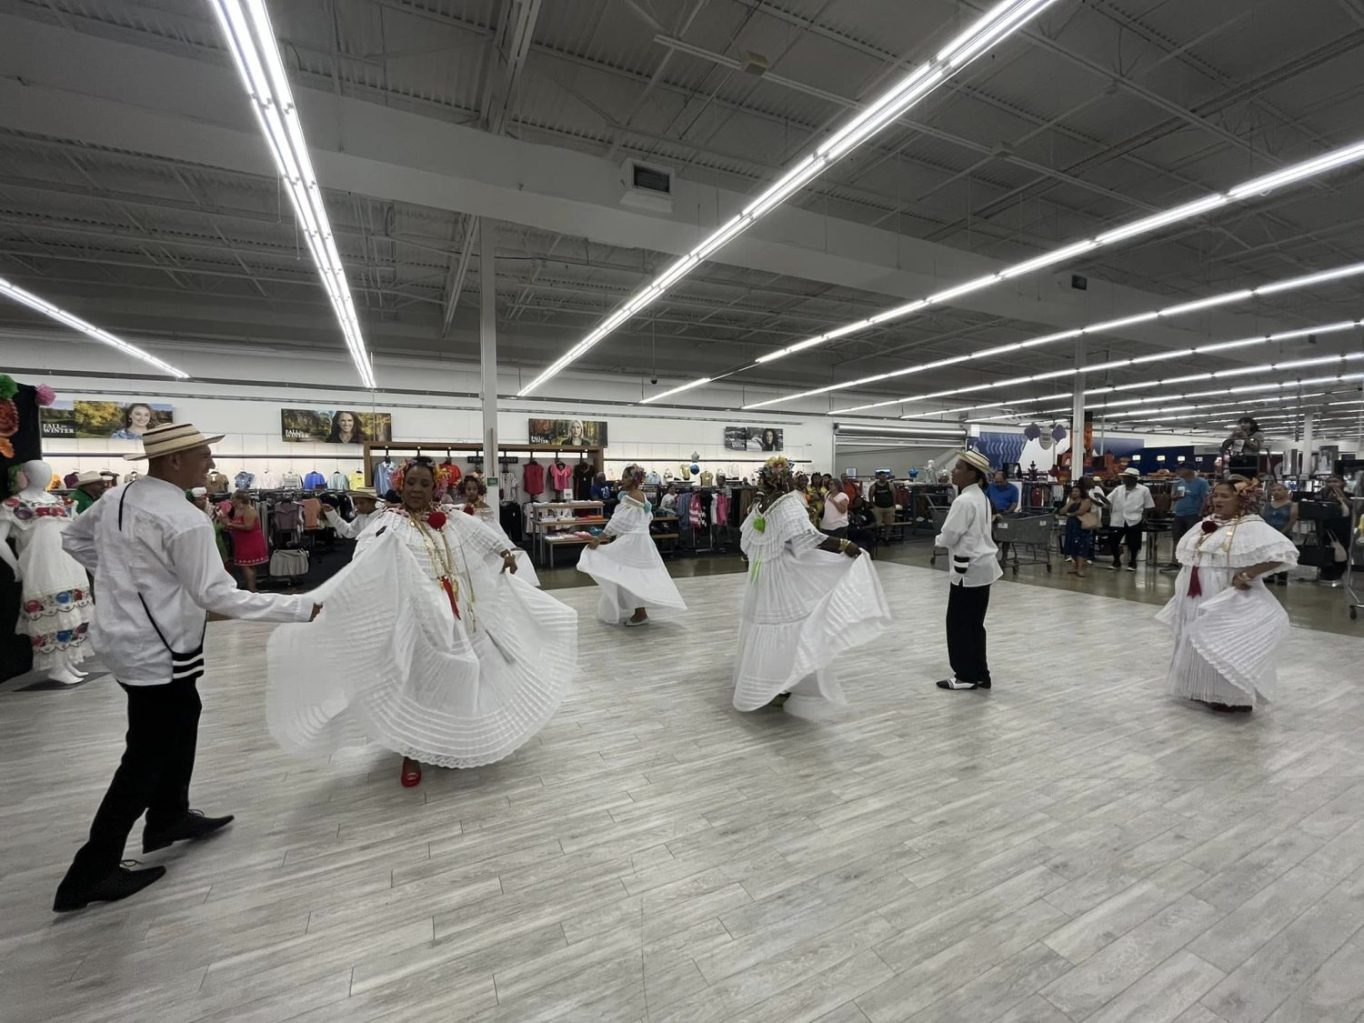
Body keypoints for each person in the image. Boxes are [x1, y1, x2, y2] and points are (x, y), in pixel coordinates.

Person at [54, 423, 321, 912]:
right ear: (173, 460)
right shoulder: (185, 518)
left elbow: (75, 541)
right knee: (146, 753)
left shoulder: (117, 499)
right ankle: (90, 872)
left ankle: (169, 815)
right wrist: (299, 608)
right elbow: (215, 595)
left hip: (130, 638)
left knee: (184, 717)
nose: (211, 465)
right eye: (202, 455)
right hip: (158, 644)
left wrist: (126, 578)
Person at [264, 457, 576, 788]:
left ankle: (450, 740)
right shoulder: (389, 520)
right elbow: (365, 559)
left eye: (424, 484)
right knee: (413, 679)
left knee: (461, 672)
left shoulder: (451, 516)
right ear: (400, 484)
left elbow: (483, 533)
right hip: (412, 615)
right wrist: (343, 593)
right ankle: (410, 751)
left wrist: (506, 553)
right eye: (411, 482)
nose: (416, 489)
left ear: (436, 487)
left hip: (456, 613)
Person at [732, 455, 891, 715]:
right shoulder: (787, 504)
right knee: (790, 623)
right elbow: (809, 537)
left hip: (762, 575)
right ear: (785, 478)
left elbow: (749, 540)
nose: (801, 480)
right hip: (781, 576)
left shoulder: (760, 505)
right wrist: (844, 545)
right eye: (795, 476)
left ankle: (763, 679)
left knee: (765, 622)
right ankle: (780, 682)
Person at [1157, 476, 1298, 713]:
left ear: (1241, 500)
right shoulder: (1207, 522)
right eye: (1216, 495)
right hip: (1193, 590)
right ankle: (1199, 687)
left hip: (1222, 590)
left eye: (1225, 496)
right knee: (1191, 635)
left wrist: (1249, 573)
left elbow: (1282, 554)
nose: (1218, 500)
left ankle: (1229, 694)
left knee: (1218, 638)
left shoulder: (1250, 525)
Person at [578, 464, 685, 625]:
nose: (623, 479)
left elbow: (617, 521)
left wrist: (599, 538)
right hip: (637, 540)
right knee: (633, 575)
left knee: (630, 575)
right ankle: (638, 611)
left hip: (633, 542)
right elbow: (643, 518)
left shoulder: (633, 497)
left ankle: (640, 613)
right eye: (623, 476)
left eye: (627, 477)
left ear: (635, 479)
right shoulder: (637, 495)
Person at [936, 450, 1002, 691]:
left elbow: (950, 535)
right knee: (975, 624)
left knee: (959, 624)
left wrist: (938, 540)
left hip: (968, 570)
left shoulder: (963, 501)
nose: (953, 471)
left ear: (972, 474)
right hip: (982, 568)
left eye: (958, 468)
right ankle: (980, 673)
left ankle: (965, 675)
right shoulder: (981, 497)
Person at [459, 474, 539, 586]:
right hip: (469, 547)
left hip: (484, 546)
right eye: (468, 489)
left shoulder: (484, 507)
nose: (471, 492)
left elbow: (495, 529)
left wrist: (509, 545)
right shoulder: (463, 508)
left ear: (479, 490)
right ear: (464, 490)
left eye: (474, 489)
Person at [1105, 467, 1154, 571]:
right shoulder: (1118, 489)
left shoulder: (1144, 490)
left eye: (1127, 478)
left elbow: (1148, 506)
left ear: (1134, 479)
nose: (1124, 480)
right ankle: (1116, 561)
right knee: (1113, 541)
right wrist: (1101, 500)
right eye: (1124, 477)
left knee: (1134, 543)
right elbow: (1108, 501)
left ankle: (1132, 562)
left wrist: (1144, 518)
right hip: (1117, 519)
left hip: (1134, 519)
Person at [1162, 466, 1209, 571]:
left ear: (1189, 470)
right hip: (1179, 514)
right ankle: (1175, 562)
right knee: (1176, 538)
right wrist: (1176, 496)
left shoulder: (1202, 482)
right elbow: (1172, 497)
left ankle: (1190, 563)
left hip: (1193, 514)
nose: (1178, 471)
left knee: (1192, 540)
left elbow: (1205, 498)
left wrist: (1200, 513)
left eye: (1181, 469)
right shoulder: (1178, 483)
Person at [221, 490, 268, 591]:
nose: (231, 500)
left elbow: (248, 526)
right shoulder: (236, 509)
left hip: (250, 541)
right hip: (242, 542)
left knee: (246, 566)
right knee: (248, 566)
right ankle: (252, 588)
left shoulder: (249, 510)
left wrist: (230, 525)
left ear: (239, 500)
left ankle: (251, 589)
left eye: (233, 498)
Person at [1317, 474, 1353, 583]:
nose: (1332, 484)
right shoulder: (1321, 494)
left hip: (1343, 528)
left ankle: (1339, 573)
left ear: (1342, 483)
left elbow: (1353, 507)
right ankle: (1325, 573)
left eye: (1335, 481)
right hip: (1325, 528)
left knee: (1341, 552)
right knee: (1325, 550)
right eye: (1329, 482)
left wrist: (1341, 497)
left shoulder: (1350, 495)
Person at [1261, 483, 1298, 585]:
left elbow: (1292, 521)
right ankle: (1268, 574)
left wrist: (1282, 533)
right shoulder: (1267, 505)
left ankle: (1282, 576)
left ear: (1286, 491)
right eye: (1274, 490)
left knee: (1282, 555)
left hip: (1284, 534)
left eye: (1279, 490)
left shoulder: (1292, 505)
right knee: (1269, 555)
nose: (1276, 492)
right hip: (1268, 535)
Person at [1060, 482, 1097, 577]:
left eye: (1076, 491)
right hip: (1071, 526)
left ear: (1081, 492)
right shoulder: (1070, 501)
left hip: (1081, 526)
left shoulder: (1086, 500)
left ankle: (1080, 569)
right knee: (1072, 547)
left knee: (1081, 547)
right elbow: (1062, 511)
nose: (1074, 493)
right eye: (1073, 491)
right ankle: (1076, 566)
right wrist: (1069, 504)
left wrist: (1070, 514)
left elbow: (1081, 511)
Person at [868, 472, 897, 542]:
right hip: (878, 508)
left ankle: (886, 539)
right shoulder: (874, 486)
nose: (884, 477)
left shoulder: (890, 485)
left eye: (885, 476)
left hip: (889, 508)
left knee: (888, 524)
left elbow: (894, 495)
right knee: (877, 524)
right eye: (882, 476)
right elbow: (870, 495)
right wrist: (872, 505)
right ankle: (876, 537)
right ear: (878, 477)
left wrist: (894, 505)